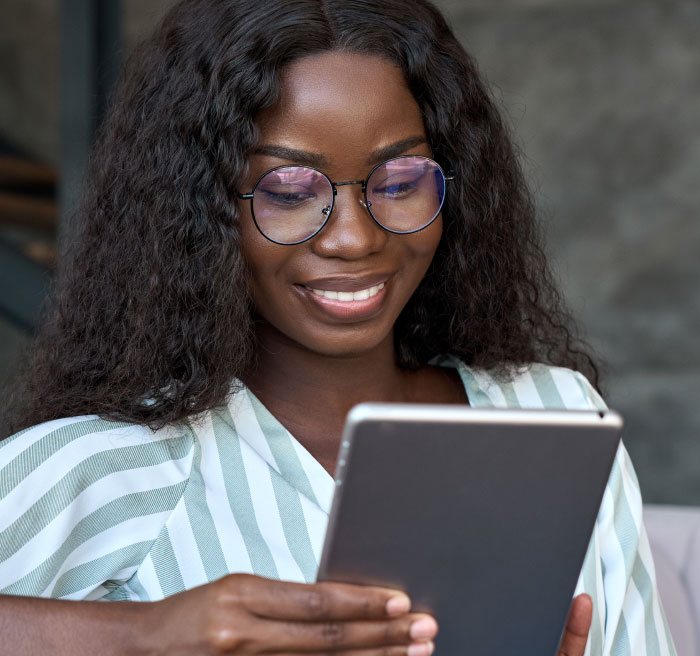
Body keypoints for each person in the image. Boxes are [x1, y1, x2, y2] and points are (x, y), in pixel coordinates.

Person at [0, 0, 675, 654]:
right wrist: (140, 638)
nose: (354, 238)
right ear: (201, 209)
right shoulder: (109, 470)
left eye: (400, 180)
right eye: (290, 193)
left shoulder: (552, 417)